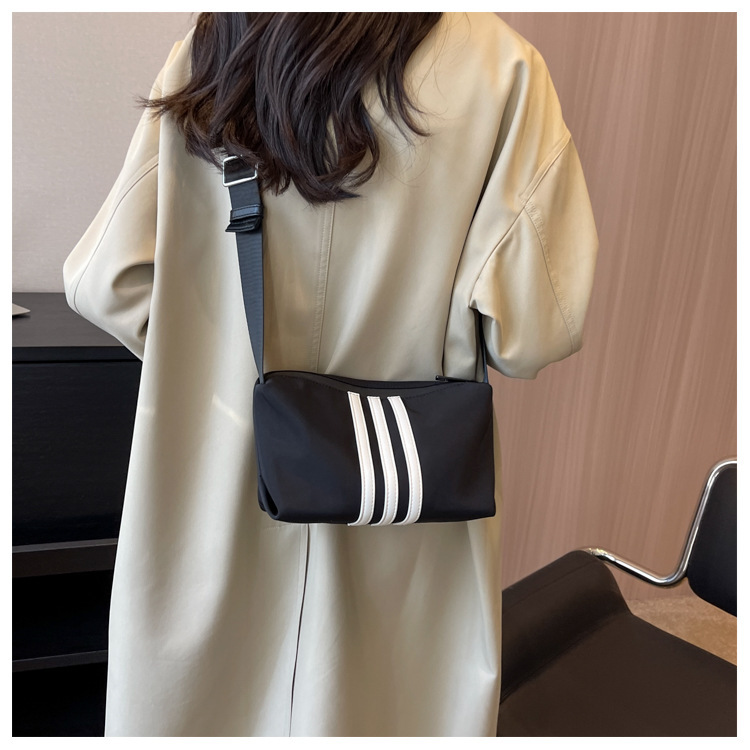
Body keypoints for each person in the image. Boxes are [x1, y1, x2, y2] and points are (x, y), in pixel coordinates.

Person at [62, 12, 599, 737]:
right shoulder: (502, 67)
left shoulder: (219, 44)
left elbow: (107, 283)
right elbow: (533, 332)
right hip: (402, 502)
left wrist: (214, 360)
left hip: (219, 491)